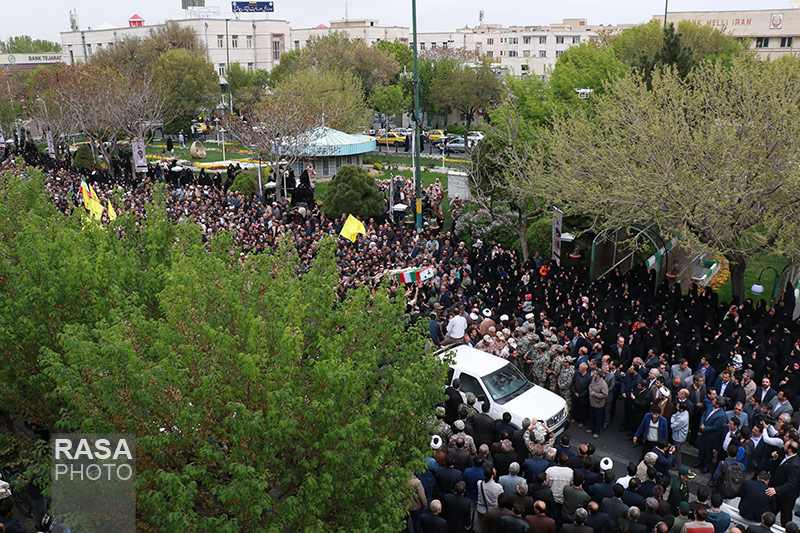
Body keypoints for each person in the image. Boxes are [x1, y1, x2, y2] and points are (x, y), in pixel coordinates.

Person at [765, 439, 800, 527]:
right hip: (778, 493)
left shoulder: (794, 464)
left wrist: (776, 490)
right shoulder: (785, 457)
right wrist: (774, 458)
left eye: (785, 446)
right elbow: (775, 468)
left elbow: (792, 483)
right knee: (770, 514)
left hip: (786, 497)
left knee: (785, 519)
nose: (783, 447)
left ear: (790, 450)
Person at [589, 368, 609, 439]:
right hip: (592, 402)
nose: (593, 374)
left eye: (595, 373)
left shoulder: (603, 384)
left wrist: (595, 394)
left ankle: (597, 432)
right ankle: (591, 428)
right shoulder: (593, 380)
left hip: (598, 404)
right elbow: (590, 386)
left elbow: (605, 395)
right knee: (592, 417)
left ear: (598, 375)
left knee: (598, 419)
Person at [671, 401, 690, 467]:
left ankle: (677, 465)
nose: (676, 406)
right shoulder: (684, 412)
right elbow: (674, 415)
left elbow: (673, 426)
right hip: (678, 435)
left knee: (677, 452)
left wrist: (673, 420)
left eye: (678, 406)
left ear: (681, 409)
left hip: (678, 437)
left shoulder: (682, 419)